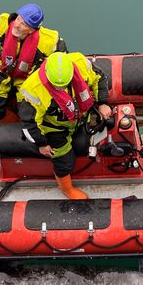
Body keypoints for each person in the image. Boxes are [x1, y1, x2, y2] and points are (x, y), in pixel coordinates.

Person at [18, 52, 112, 200]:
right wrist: (41, 144)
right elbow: (28, 123)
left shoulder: (81, 63)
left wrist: (103, 103)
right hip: (55, 127)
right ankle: (66, 189)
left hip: (80, 115)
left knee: (106, 124)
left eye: (63, 85)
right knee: (64, 160)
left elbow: (99, 78)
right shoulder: (33, 89)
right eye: (56, 85)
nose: (60, 88)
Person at [0, 0, 67, 121]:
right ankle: (10, 121)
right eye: (18, 19)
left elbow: (61, 59)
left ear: (32, 30)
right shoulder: (3, 24)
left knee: (28, 111)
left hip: (26, 80)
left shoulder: (48, 40)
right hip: (1, 75)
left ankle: (22, 122)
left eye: (24, 24)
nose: (17, 25)